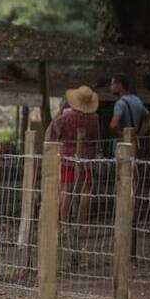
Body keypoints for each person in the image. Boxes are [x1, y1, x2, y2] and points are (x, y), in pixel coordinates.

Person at [46, 85, 100, 267]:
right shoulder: (95, 118)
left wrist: (60, 113)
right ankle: (83, 223)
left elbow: (53, 131)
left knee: (66, 189)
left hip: (67, 157)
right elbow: (96, 138)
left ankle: (64, 222)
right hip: (87, 157)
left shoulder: (66, 117)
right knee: (86, 190)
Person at [109, 73, 150, 146]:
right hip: (134, 143)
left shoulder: (120, 103)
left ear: (119, 85)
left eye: (112, 84)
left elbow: (113, 125)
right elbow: (149, 118)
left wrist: (121, 135)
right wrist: (140, 135)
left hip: (122, 146)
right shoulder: (137, 100)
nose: (111, 87)